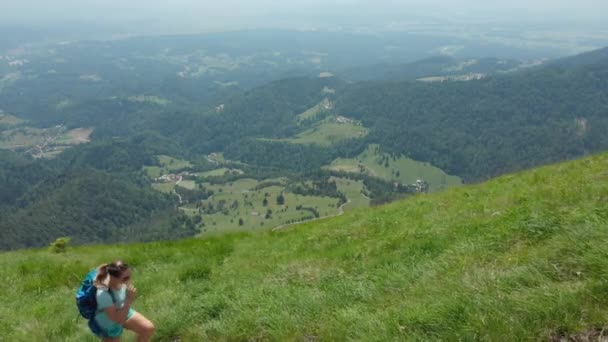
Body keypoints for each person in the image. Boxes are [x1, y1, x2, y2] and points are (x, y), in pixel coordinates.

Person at [91, 261, 155, 342]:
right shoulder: (103, 294)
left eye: (130, 276)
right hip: (108, 321)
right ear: (112, 278)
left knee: (147, 328)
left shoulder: (120, 283)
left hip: (122, 309)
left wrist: (127, 299)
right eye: (125, 278)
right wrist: (129, 299)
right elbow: (118, 320)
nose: (129, 280)